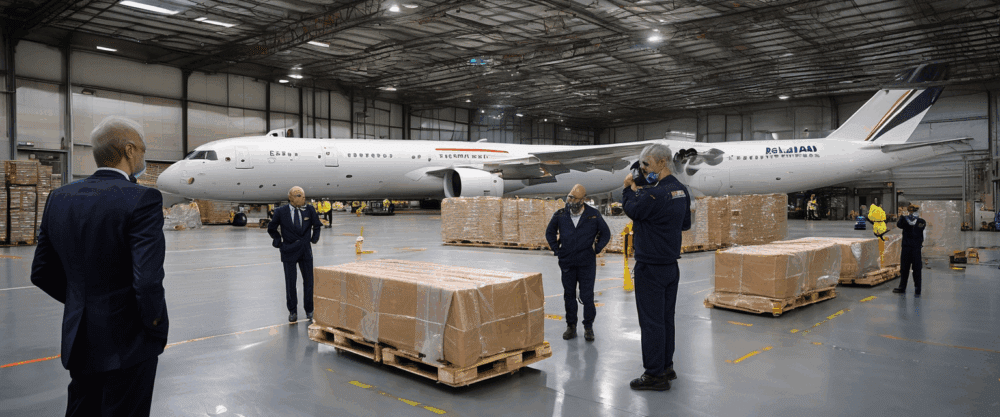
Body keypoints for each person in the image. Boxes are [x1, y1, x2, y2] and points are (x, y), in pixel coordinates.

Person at [30, 116, 168, 416]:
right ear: (129, 150)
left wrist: (81, 302)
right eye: (142, 149)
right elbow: (146, 280)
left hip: (79, 336)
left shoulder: (59, 197)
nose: (143, 156)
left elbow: (41, 272)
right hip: (128, 342)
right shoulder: (143, 199)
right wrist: (155, 329)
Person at [622, 144, 691, 392]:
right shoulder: (680, 190)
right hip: (670, 265)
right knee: (665, 320)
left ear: (662, 163)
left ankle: (654, 374)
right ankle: (666, 366)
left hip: (650, 267)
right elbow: (685, 225)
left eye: (646, 164)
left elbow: (632, 210)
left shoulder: (655, 195)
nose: (642, 169)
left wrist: (627, 189)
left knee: (651, 322)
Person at [545, 184, 611, 342]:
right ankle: (571, 326)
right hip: (567, 261)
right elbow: (550, 232)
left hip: (586, 262)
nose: (571, 201)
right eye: (570, 197)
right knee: (569, 295)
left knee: (587, 296)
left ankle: (588, 326)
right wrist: (556, 249)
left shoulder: (593, 215)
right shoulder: (561, 214)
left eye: (575, 199)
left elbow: (606, 233)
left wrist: (597, 249)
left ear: (583, 200)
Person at [268, 186, 323, 322]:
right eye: (299, 195)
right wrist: (278, 242)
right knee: (290, 283)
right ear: (291, 198)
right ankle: (292, 311)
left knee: (309, 282)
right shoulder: (281, 212)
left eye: (303, 195)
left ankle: (309, 310)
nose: (303, 197)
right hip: (289, 251)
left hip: (305, 251)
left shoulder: (309, 209)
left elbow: (317, 225)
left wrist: (314, 238)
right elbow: (271, 228)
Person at [893, 204, 927, 296]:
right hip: (907, 248)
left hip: (915, 248)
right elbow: (899, 225)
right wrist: (902, 217)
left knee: (916, 269)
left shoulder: (921, 221)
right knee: (904, 269)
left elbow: (920, 228)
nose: (911, 213)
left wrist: (907, 219)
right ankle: (902, 287)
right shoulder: (905, 220)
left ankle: (917, 289)